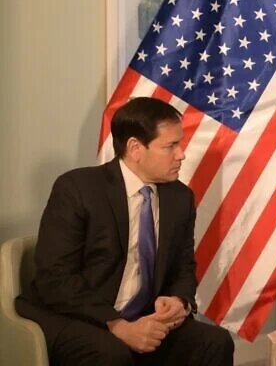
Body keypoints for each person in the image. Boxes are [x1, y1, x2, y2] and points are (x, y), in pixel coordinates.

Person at [16, 97, 234, 365]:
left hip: (142, 317)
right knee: (111, 354)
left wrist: (179, 300)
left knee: (215, 342)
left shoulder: (179, 198)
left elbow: (183, 266)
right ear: (135, 148)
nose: (181, 154)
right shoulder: (78, 189)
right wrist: (117, 325)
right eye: (171, 146)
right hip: (76, 316)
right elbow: (55, 278)